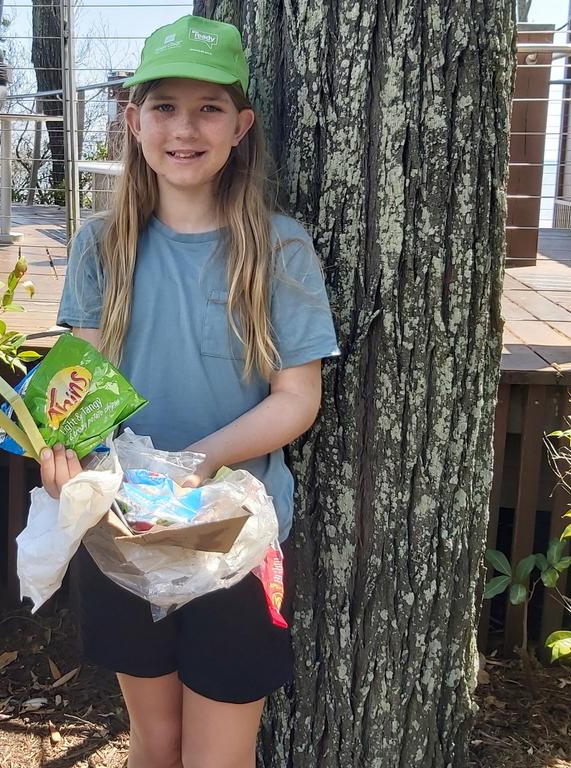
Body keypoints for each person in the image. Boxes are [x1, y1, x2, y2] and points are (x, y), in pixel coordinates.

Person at [39, 14, 340, 768]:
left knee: (218, 753)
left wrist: (199, 461)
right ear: (134, 120)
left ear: (240, 126)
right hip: (122, 530)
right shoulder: (98, 245)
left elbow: (298, 398)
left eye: (208, 108)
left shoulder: (280, 246)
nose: (185, 127)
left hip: (236, 537)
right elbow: (78, 382)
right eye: (165, 106)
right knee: (156, 737)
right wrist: (59, 452)